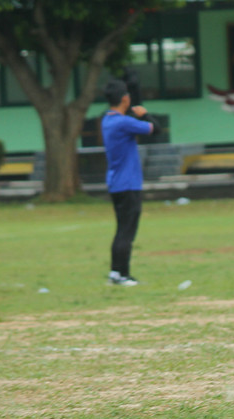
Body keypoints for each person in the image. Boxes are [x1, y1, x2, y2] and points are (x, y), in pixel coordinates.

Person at [101, 79, 158, 286]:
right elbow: (155, 129)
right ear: (125, 98)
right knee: (127, 232)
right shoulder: (123, 122)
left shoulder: (107, 120)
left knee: (121, 230)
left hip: (116, 182)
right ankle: (122, 275)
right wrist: (145, 114)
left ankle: (116, 273)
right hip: (128, 183)